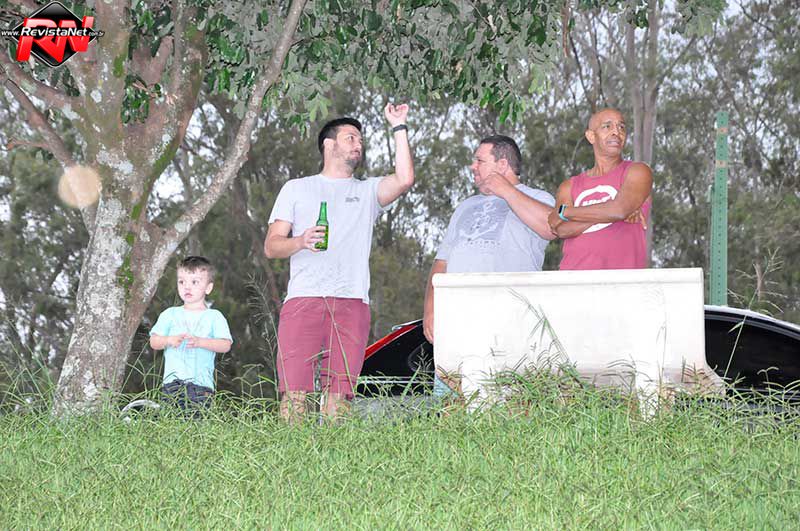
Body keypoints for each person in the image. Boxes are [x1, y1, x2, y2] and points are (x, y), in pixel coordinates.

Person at [264, 103, 414, 421]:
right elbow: (272, 246)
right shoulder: (296, 188)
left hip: (352, 301)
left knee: (340, 394)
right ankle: (291, 450)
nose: (358, 145)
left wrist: (399, 126)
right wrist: (300, 241)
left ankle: (334, 449)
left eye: (360, 140)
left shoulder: (367, 191)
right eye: (350, 138)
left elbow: (404, 179)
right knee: (294, 392)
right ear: (329, 145)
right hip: (304, 299)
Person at [422, 135, 556, 345]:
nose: (472, 166)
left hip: (511, 316)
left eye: (480, 161)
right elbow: (442, 262)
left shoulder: (539, 197)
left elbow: (551, 227)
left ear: (502, 165)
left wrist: (506, 190)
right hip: (457, 317)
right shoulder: (465, 206)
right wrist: (430, 310)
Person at [548, 108, 653, 269]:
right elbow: (561, 229)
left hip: (623, 280)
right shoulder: (569, 186)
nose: (616, 132)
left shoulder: (638, 171)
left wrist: (567, 212)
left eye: (621, 127)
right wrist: (610, 213)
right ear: (591, 136)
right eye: (607, 126)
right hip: (573, 278)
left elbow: (618, 210)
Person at [149, 256, 233, 412]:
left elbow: (225, 344)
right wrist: (169, 340)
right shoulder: (169, 314)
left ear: (208, 288)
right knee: (171, 422)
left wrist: (200, 342)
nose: (187, 287)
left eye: (195, 282)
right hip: (171, 385)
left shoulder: (214, 316)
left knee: (197, 423)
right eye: (182, 282)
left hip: (201, 387)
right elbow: (154, 341)